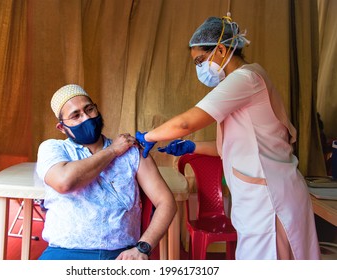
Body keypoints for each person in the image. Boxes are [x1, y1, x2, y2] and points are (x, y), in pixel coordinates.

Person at [136, 16, 320, 260]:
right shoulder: (243, 82)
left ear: (221, 49)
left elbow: (185, 122)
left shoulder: (245, 79)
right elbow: (234, 147)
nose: (199, 69)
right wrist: (192, 147)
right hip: (256, 199)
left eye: (200, 60)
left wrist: (148, 136)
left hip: (270, 199)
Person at [36, 84, 176, 260]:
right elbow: (64, 182)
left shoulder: (132, 151)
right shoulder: (53, 149)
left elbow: (166, 201)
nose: (86, 118)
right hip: (64, 252)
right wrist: (113, 151)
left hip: (120, 255)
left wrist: (142, 248)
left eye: (89, 109)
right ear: (62, 128)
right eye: (76, 116)